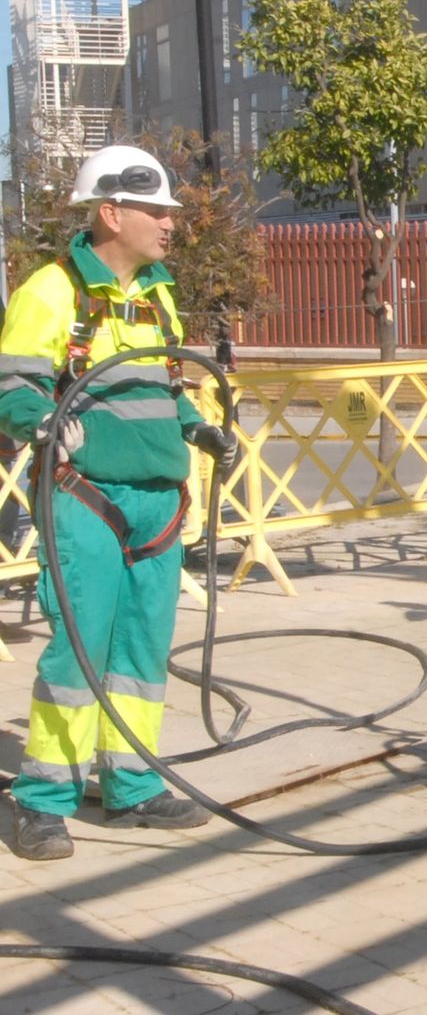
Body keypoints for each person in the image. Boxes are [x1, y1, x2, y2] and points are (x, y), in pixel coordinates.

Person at [2, 144, 237, 861]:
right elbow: (12, 385)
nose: (170, 223)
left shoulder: (158, 294)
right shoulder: (51, 290)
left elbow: (165, 385)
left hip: (157, 500)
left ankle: (131, 781)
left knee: (139, 653)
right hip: (86, 494)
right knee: (82, 646)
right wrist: (39, 420)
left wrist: (195, 427)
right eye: (156, 211)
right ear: (111, 212)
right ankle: (40, 799)